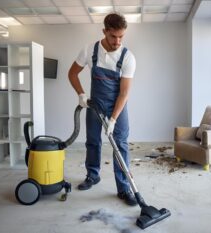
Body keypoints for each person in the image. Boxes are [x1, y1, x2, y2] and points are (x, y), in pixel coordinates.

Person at [68, 13, 137, 206]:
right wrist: (81, 95)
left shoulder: (128, 57)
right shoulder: (90, 50)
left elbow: (124, 93)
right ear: (104, 31)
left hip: (118, 106)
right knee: (93, 141)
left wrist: (113, 120)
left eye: (121, 36)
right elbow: (72, 73)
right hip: (95, 104)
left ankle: (124, 188)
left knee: (120, 144)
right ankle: (93, 175)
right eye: (113, 36)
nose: (117, 41)